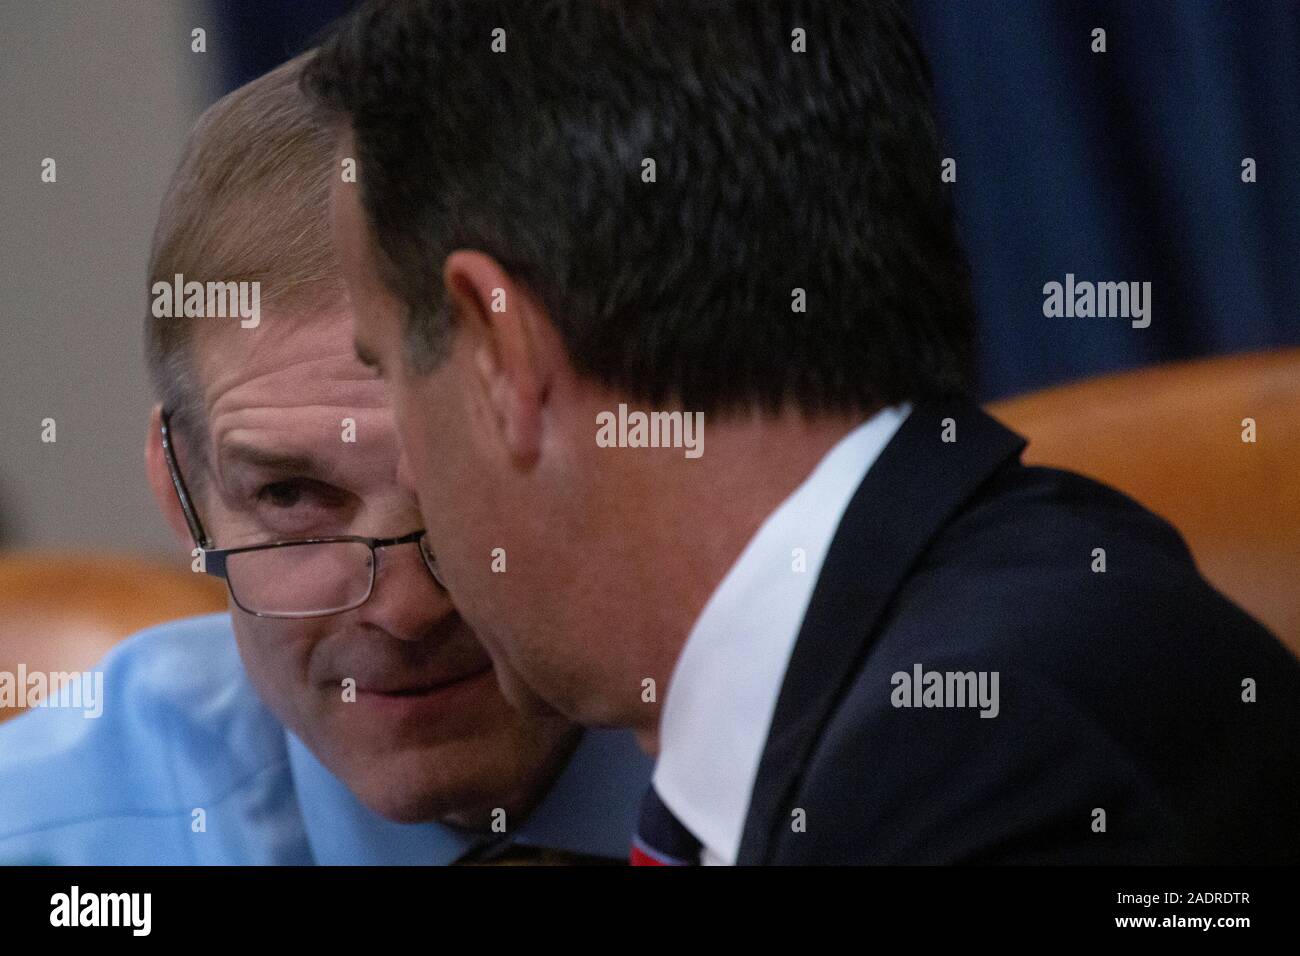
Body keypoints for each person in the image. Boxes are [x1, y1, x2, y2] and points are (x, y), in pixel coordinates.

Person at [307, 0, 1300, 864]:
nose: (408, 484)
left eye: (386, 368)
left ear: (499, 349)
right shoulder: (978, 634)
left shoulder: (965, 775)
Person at [0, 54, 649, 866]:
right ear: (182, 494)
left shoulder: (828, 778)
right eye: (292, 493)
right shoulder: (36, 842)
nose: (405, 612)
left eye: (465, 483)